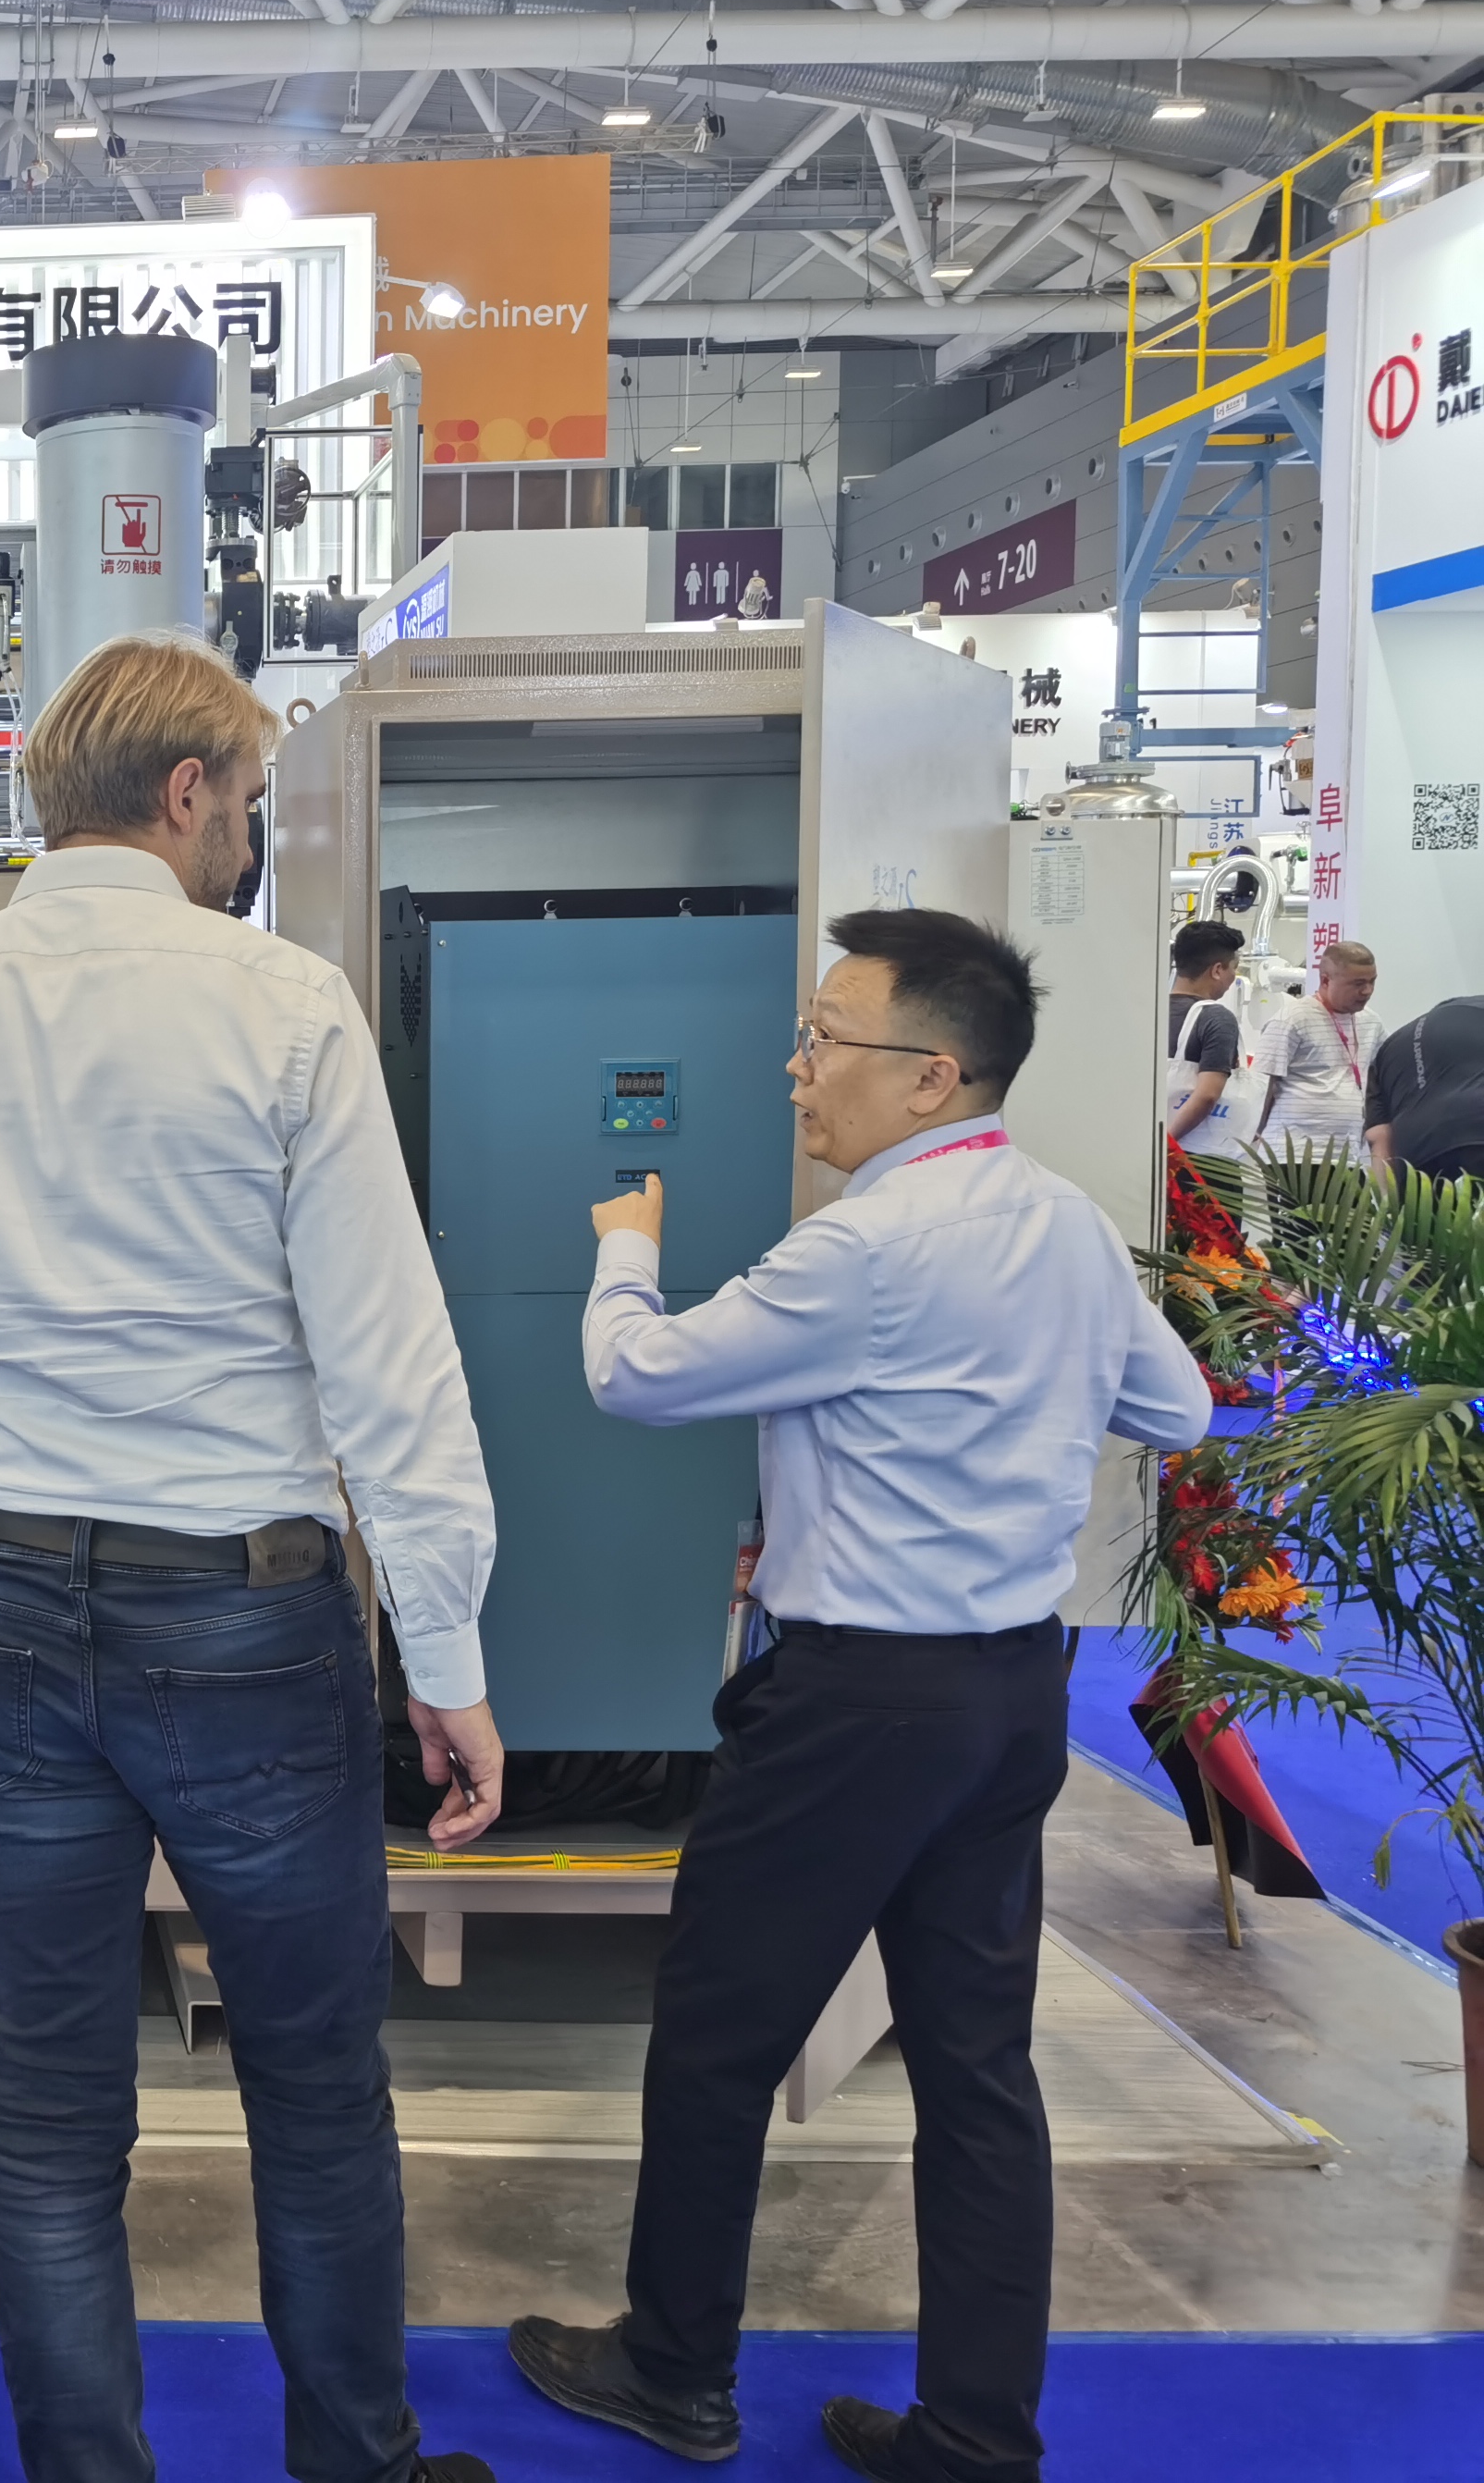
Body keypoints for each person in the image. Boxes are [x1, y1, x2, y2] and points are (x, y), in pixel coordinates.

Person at [0, 630, 504, 2483]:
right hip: (244, 1612)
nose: (248, 838)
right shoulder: (280, 1009)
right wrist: (448, 1662)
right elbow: (390, 1367)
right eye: (248, 802)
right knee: (314, 2099)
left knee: (46, 2118)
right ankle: (353, 2464)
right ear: (186, 793)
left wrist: (4, 1286)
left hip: (5, 1603)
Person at [507, 908, 1211, 2483]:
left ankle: (673, 2371)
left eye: (825, 1038)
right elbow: (1174, 1406)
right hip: (1010, 1696)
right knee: (977, 2071)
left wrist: (626, 1245)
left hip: (856, 1707)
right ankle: (975, 2432)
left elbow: (635, 1375)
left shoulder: (866, 1247)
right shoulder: (1064, 1223)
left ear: (930, 1076)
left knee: (716, 2038)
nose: (795, 1066)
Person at [1252, 940, 1379, 1158]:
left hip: (1348, 1156)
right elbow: (1262, 1085)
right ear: (1325, 980)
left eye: (1372, 981)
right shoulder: (1291, 1018)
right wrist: (1253, 1136)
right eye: (1358, 983)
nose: (1367, 991)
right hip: (1292, 1155)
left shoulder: (1372, 1022)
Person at [1362, 990, 1484, 1185]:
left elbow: (1378, 1137)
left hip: (1415, 1160)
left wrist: (1388, 1200)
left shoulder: (1389, 1047)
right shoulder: (1476, 1009)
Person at [1159, 918, 1252, 1154]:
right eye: (1233, 968)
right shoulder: (1215, 1018)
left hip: (1143, 1147)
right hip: (1198, 1158)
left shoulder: (1149, 1012)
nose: (1233, 977)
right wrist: (1166, 1146)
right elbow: (1208, 1095)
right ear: (1217, 970)